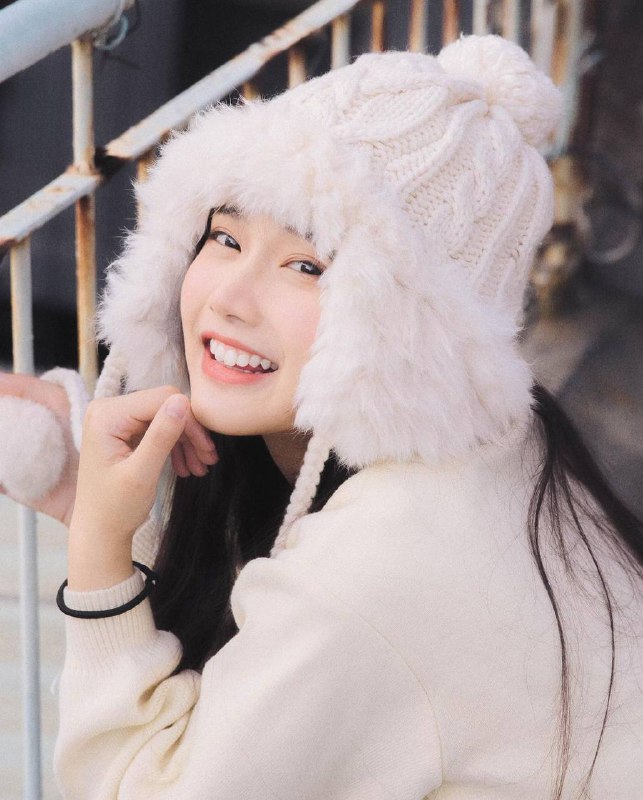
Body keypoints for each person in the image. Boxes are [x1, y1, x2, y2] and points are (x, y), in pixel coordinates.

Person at [0, 34, 641, 800]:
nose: (229, 297)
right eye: (225, 236)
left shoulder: (375, 573)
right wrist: (111, 502)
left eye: (307, 266)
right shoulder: (490, 450)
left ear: (414, 324)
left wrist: (101, 553)